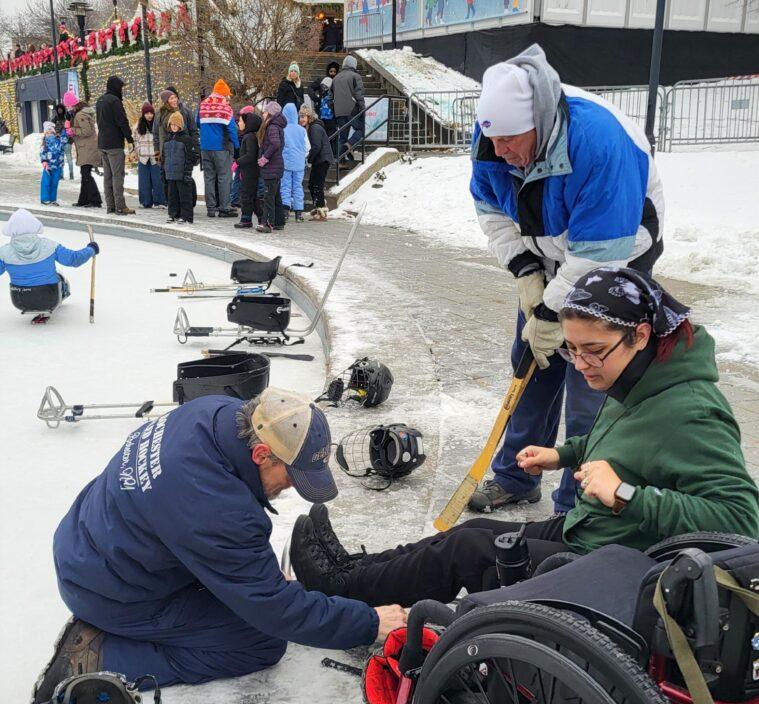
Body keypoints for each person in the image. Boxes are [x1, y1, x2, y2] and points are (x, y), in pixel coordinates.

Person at [289, 268, 759, 607]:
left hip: (620, 564)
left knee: (466, 551)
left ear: (639, 334)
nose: (580, 365)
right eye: (572, 349)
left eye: (594, 351)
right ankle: (355, 571)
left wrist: (626, 496)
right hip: (594, 532)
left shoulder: (691, 410)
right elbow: (626, 443)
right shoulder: (636, 376)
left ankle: (343, 589)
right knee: (470, 532)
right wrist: (563, 454)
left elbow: (741, 523)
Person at [36, 389, 407, 698]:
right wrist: (370, 622)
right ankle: (97, 657)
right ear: (261, 454)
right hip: (109, 590)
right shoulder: (217, 508)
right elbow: (274, 611)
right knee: (259, 641)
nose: (292, 487)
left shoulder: (218, 413)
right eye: (291, 476)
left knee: (248, 592)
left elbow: (210, 533)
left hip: (86, 543)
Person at [468, 45, 664, 516]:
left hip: (615, 256)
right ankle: (517, 476)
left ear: (539, 119)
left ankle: (576, 502)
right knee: (532, 360)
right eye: (493, 141)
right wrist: (526, 274)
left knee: (590, 377)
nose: (499, 152)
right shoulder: (493, 138)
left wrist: (553, 313)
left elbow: (598, 255)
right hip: (552, 257)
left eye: (511, 141)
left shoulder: (598, 141)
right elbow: (491, 210)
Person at [0, 208, 97, 315]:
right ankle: (61, 294)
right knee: (59, 276)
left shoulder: (3, 253)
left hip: (20, 301)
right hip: (50, 298)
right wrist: (91, 249)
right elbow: (74, 259)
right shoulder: (50, 246)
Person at [197, 79, 239, 218]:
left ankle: (210, 208)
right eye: (228, 95)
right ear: (224, 94)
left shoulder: (203, 105)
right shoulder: (225, 108)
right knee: (224, 177)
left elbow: (198, 122)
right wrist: (237, 146)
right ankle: (224, 207)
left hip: (205, 147)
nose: (228, 98)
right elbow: (232, 129)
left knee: (209, 177)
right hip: (221, 148)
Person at [95, 75, 135, 215]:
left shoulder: (100, 101)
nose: (121, 89)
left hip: (102, 143)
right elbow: (122, 121)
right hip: (114, 144)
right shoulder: (114, 101)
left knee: (108, 176)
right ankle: (120, 206)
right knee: (118, 175)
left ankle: (110, 205)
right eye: (121, 87)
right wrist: (129, 138)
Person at [68, 94, 102, 208]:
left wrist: (72, 130)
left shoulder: (80, 115)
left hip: (87, 148)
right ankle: (83, 199)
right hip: (86, 147)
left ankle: (95, 200)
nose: (69, 108)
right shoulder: (83, 113)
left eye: (69, 106)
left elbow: (87, 131)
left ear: (73, 105)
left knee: (86, 174)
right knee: (85, 174)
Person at [257, 101, 286, 234]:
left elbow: (275, 144)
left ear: (270, 113)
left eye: (265, 111)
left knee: (269, 196)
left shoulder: (272, 126)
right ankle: (279, 221)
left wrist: (265, 158)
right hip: (276, 165)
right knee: (275, 195)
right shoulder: (276, 126)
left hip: (272, 166)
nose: (263, 114)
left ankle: (267, 223)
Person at [163, 111, 197, 224]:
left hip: (182, 173)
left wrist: (188, 172)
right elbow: (164, 157)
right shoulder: (167, 140)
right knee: (172, 196)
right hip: (170, 173)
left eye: (176, 125)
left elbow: (190, 157)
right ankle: (173, 214)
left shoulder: (186, 139)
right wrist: (163, 170)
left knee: (184, 196)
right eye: (171, 125)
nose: (173, 127)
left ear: (180, 125)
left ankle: (186, 216)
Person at [301, 105, 334, 220]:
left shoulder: (314, 128)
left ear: (309, 116)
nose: (301, 119)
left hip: (322, 159)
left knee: (316, 185)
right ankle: (319, 206)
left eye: (303, 116)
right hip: (320, 159)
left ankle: (320, 210)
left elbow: (316, 147)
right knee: (312, 184)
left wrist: (308, 159)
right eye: (300, 117)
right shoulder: (313, 127)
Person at [332, 55, 365, 162]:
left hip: (339, 111)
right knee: (361, 130)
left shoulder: (336, 78)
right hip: (352, 109)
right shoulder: (355, 76)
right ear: (353, 64)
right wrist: (362, 108)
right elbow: (359, 94)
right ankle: (349, 145)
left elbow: (330, 96)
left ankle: (341, 162)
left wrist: (333, 108)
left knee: (342, 136)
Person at [133, 103, 166, 209]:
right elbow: (135, 140)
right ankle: (145, 202)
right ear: (143, 114)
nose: (149, 115)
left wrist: (160, 152)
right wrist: (138, 151)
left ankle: (160, 201)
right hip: (143, 157)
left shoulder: (156, 124)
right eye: (147, 113)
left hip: (155, 155)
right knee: (144, 181)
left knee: (157, 180)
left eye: (151, 113)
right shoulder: (138, 125)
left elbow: (160, 138)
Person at [234, 108, 262, 230]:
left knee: (247, 195)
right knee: (249, 195)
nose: (238, 123)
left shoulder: (249, 137)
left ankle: (246, 219)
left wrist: (237, 162)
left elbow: (250, 155)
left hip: (250, 171)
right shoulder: (248, 136)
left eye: (240, 121)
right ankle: (259, 217)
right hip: (247, 171)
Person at [281, 102, 308, 222]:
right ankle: (299, 213)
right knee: (298, 187)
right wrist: (302, 156)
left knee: (285, 186)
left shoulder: (283, 129)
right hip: (299, 164)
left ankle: (285, 211)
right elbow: (308, 147)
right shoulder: (302, 130)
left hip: (286, 162)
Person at [39, 120, 67, 205]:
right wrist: (44, 162)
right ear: (45, 133)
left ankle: (52, 199)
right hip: (48, 166)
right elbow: (42, 153)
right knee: (46, 183)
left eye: (51, 131)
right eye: (47, 132)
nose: (49, 133)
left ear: (54, 132)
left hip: (58, 166)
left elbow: (64, 143)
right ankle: (44, 199)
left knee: (54, 183)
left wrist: (64, 132)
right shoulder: (44, 143)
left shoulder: (58, 141)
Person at [53, 101, 75, 180]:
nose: (59, 110)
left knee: (65, 158)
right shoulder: (66, 117)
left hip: (65, 141)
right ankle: (63, 174)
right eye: (58, 109)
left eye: (60, 109)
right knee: (62, 159)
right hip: (62, 141)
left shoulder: (57, 119)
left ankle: (69, 174)